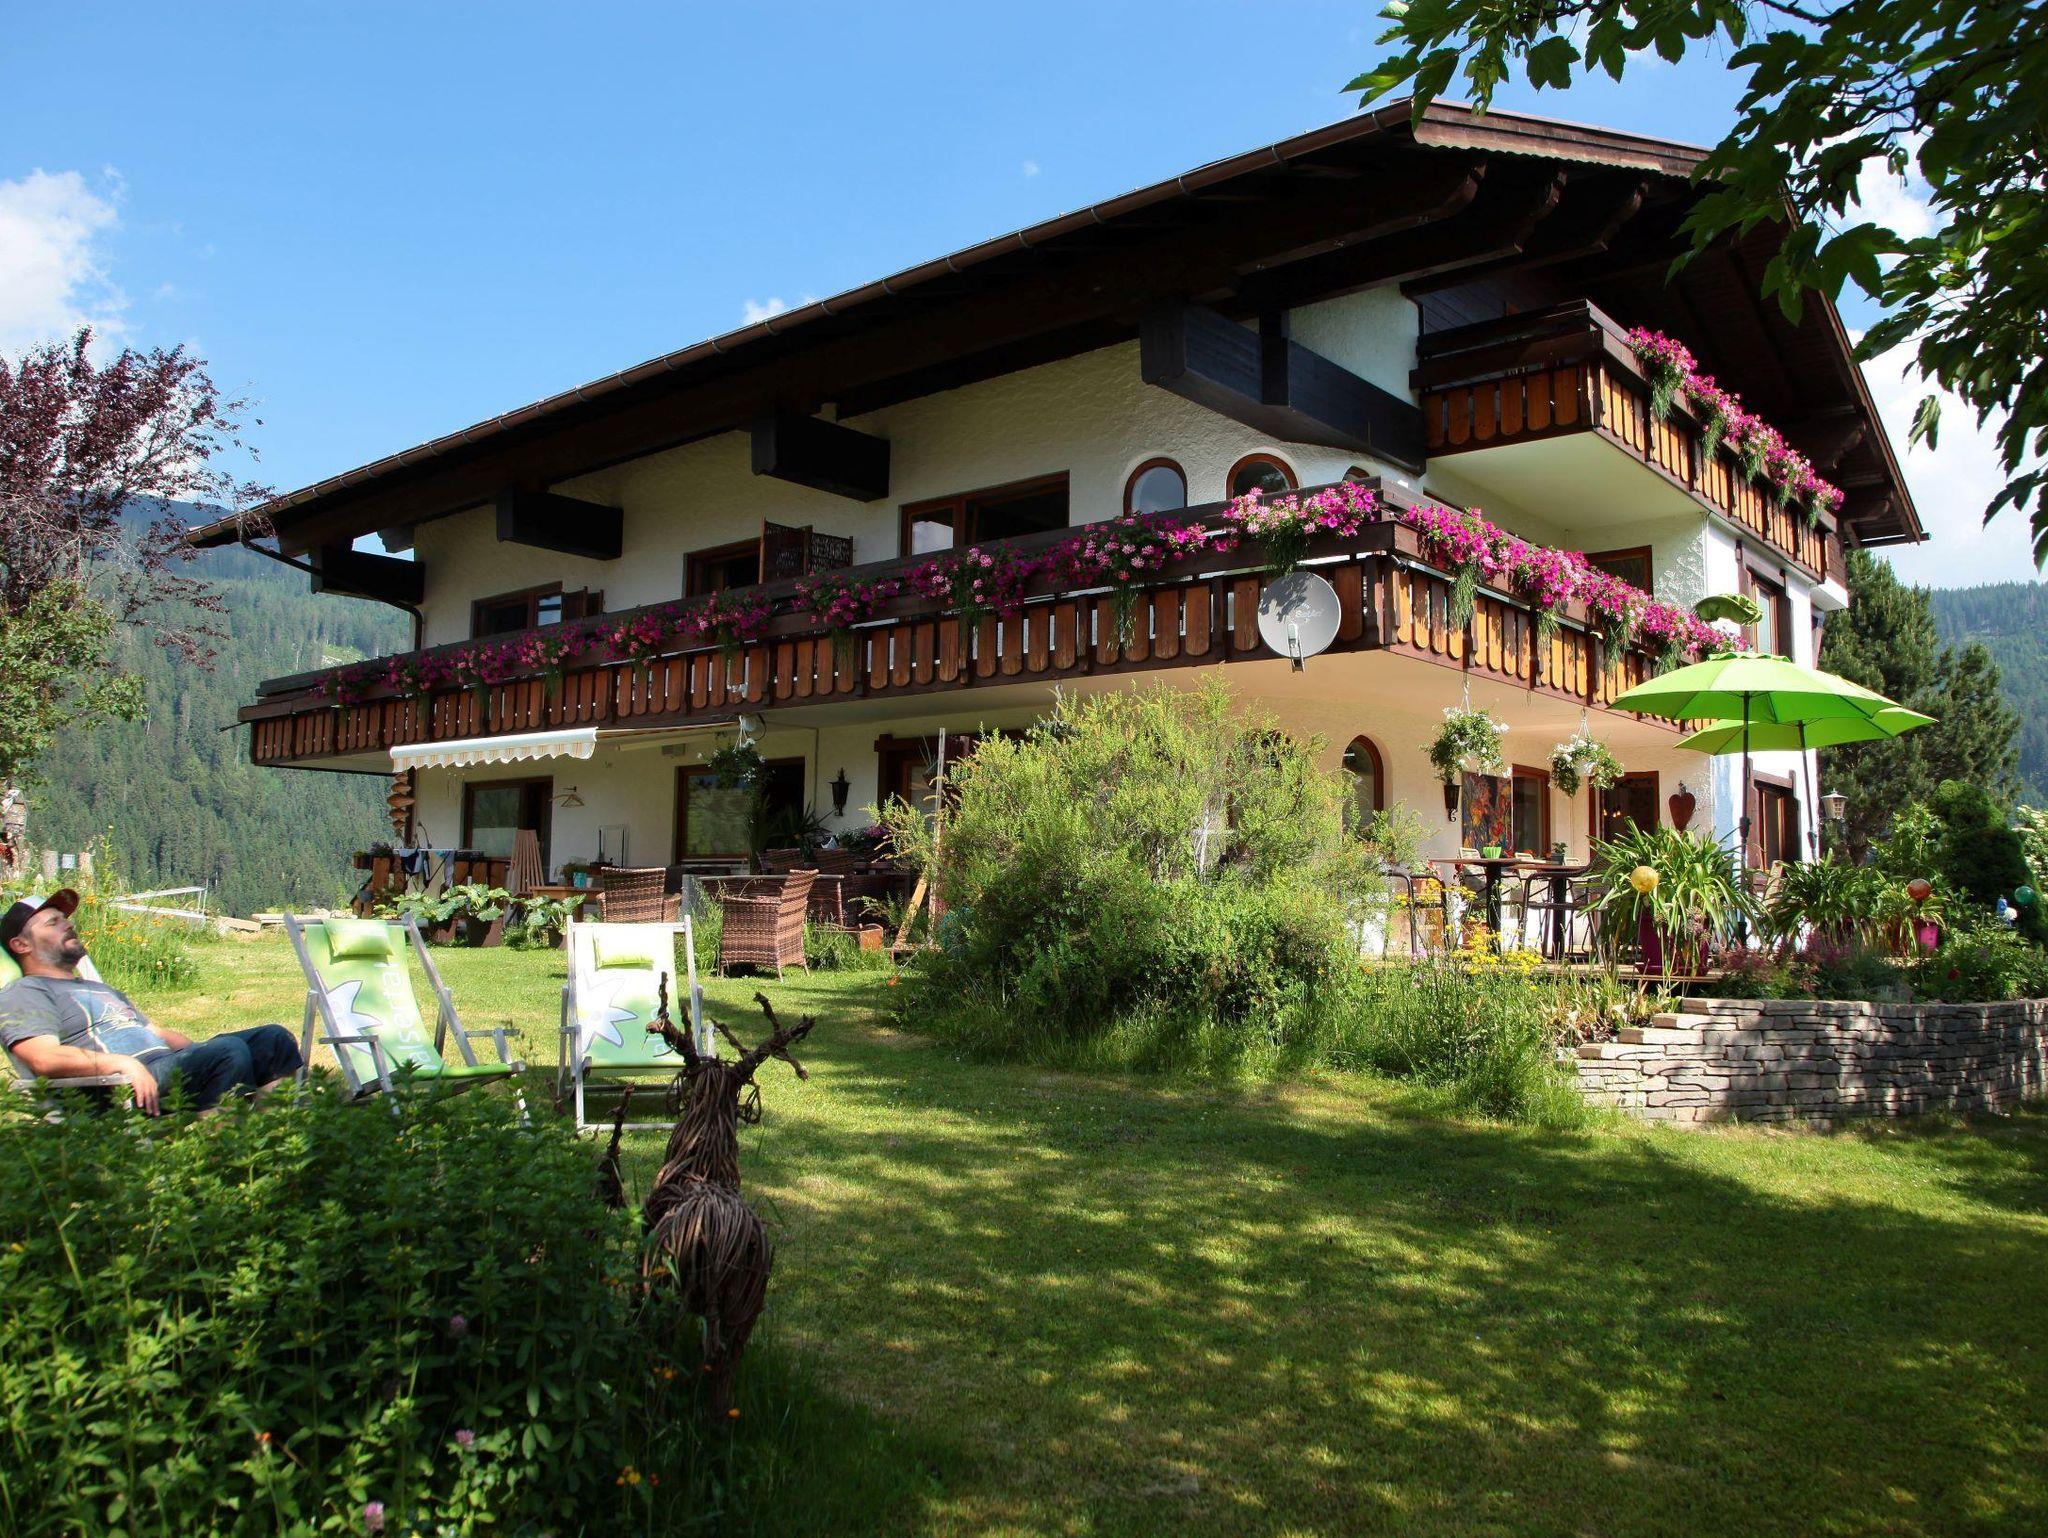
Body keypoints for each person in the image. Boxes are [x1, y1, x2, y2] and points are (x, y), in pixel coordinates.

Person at [0, 891, 302, 1113]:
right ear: (21, 944)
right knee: (228, 1052)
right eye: (53, 922)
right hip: (117, 1087)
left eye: (65, 919)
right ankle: (221, 1151)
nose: (67, 925)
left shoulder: (96, 988)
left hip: (162, 1067)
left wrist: (199, 1051)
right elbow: (44, 1057)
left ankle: (271, 1136)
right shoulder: (26, 992)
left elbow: (153, 1032)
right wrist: (122, 1064)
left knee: (273, 1040)